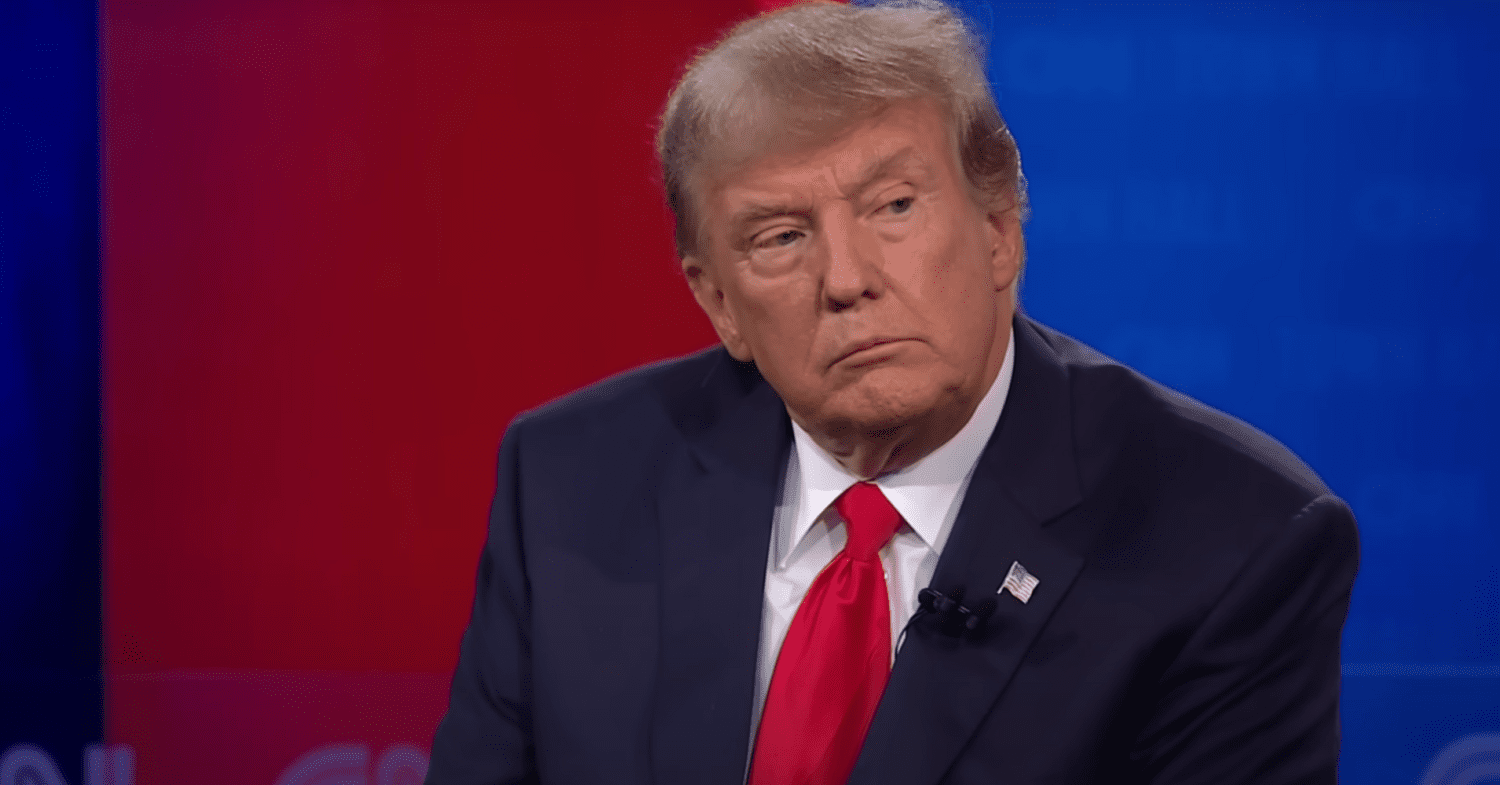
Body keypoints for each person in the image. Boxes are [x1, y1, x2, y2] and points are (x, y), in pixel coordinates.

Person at [425, 1, 1359, 783]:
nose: (847, 278)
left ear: (999, 228)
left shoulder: (1233, 540)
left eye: (894, 206)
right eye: (780, 236)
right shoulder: (574, 482)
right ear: (720, 303)